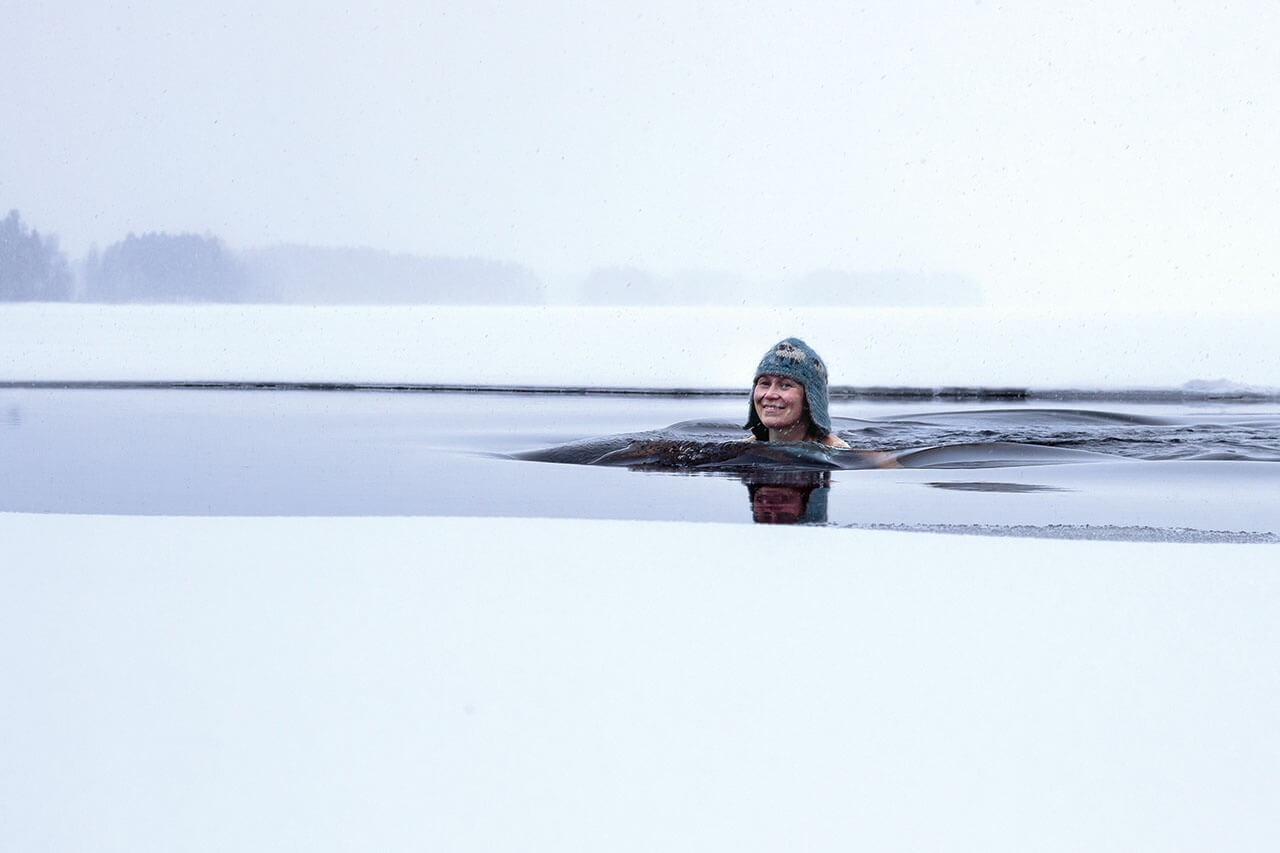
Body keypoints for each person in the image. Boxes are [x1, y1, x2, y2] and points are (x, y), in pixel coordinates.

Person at [744, 338, 851, 448]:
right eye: (765, 383)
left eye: (785, 385)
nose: (770, 394)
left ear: (810, 398)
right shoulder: (741, 450)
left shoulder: (839, 455)